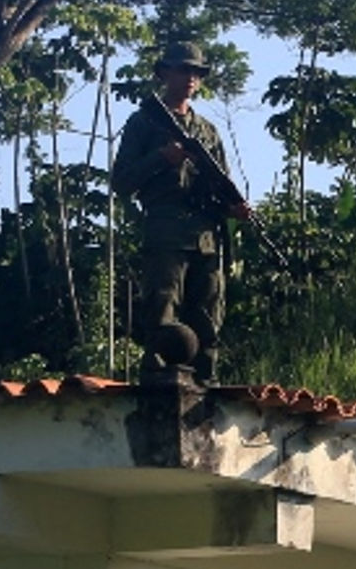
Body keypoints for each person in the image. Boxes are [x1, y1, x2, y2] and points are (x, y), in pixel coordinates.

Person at [108, 40, 252, 381]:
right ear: (164, 73)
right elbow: (122, 182)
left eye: (196, 72)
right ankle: (159, 386)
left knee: (209, 315)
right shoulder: (144, 122)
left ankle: (206, 385)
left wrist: (235, 208)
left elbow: (221, 185)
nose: (190, 77)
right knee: (163, 309)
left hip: (206, 233)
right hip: (166, 228)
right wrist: (161, 159)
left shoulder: (207, 131)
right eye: (183, 69)